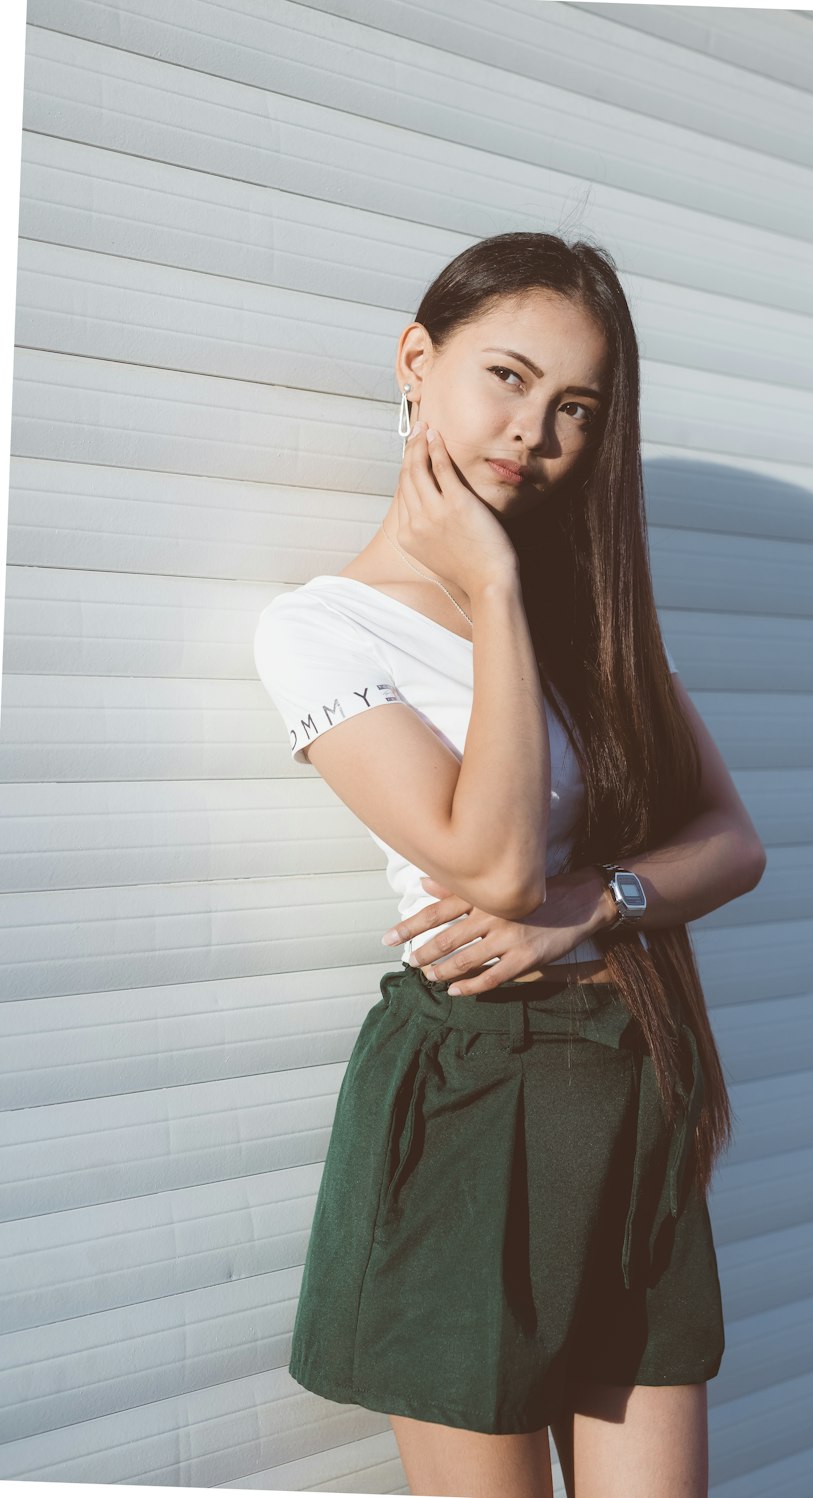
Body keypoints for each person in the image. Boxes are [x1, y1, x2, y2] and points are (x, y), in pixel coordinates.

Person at [253, 231, 766, 1498]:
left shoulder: (589, 612)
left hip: (627, 1081)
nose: (532, 430)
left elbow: (731, 842)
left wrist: (597, 900)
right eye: (508, 377)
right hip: (475, 1096)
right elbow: (485, 862)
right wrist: (488, 589)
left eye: (575, 407)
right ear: (416, 362)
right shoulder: (320, 627)